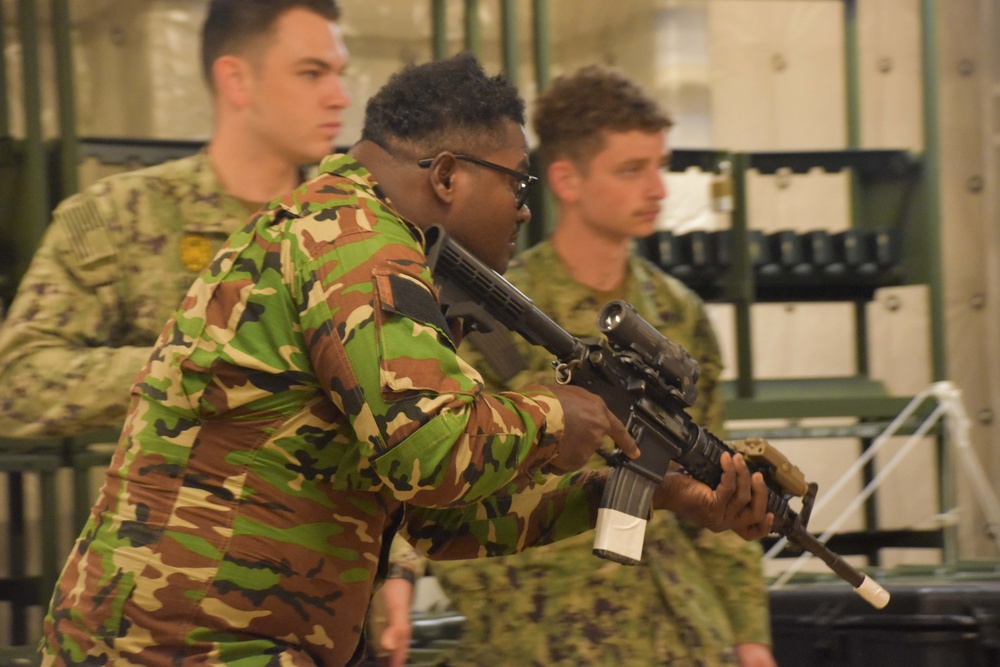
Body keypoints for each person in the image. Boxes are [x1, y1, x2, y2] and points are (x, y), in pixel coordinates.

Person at [38, 53, 772, 667]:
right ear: (448, 174)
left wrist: (646, 490)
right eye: (516, 182)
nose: (524, 209)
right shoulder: (355, 239)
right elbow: (435, 450)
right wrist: (561, 415)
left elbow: (438, 512)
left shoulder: (357, 232)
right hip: (189, 642)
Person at [0, 1, 414, 663]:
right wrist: (186, 367)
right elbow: (18, 380)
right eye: (311, 72)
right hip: (161, 629)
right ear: (237, 80)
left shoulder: (358, 239)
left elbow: (383, 419)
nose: (340, 95)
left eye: (339, 71)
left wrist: (397, 564)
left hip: (318, 624)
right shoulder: (122, 219)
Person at [432, 65, 777, 666]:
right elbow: (443, 471)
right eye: (631, 170)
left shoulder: (677, 314)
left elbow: (719, 471)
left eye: (659, 167)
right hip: (541, 634)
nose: (658, 190)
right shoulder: (497, 311)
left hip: (680, 634)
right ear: (566, 179)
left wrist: (749, 636)